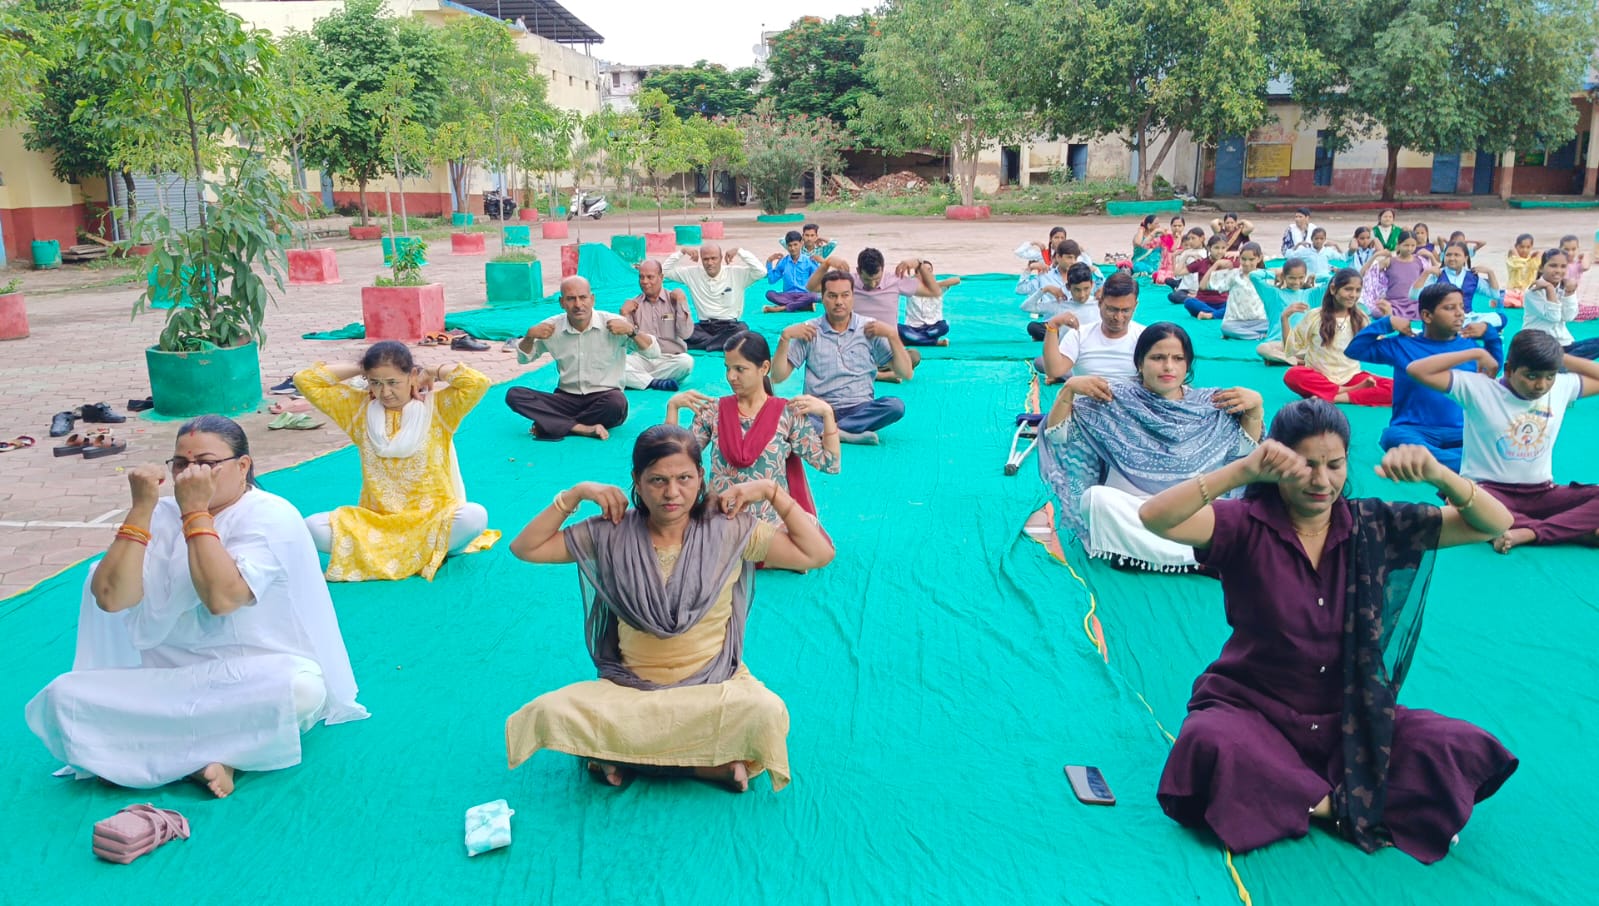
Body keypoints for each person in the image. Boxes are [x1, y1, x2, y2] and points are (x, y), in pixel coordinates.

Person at [1139, 399, 1518, 863]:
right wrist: (1238, 473)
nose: (1321, 481)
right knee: (1210, 741)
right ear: (1276, 462)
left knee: (1453, 745)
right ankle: (1345, 805)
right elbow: (1155, 517)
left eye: (1333, 465)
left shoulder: (1374, 525)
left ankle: (1301, 799)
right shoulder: (1245, 525)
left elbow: (1495, 524)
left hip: (1353, 717)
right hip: (1255, 711)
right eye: (1305, 465)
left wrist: (1441, 476)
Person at [26, 416, 367, 799]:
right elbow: (110, 597)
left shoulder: (270, 514)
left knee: (302, 689)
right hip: (168, 682)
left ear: (243, 466)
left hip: (248, 680)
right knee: (62, 697)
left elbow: (222, 599)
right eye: (181, 464)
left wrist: (194, 512)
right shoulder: (160, 513)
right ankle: (208, 756)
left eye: (205, 463)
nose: (191, 474)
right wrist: (141, 508)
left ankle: (154, 752)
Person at [504, 426, 835, 793]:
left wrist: (773, 493)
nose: (672, 492)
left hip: (711, 687)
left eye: (684, 478)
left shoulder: (728, 530)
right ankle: (700, 766)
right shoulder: (610, 532)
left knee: (765, 712)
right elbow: (526, 548)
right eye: (657, 480)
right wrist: (576, 494)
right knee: (550, 711)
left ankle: (626, 757)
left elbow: (817, 553)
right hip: (631, 691)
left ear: (700, 478)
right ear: (637, 481)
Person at [1037, 322, 1263, 571]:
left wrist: (1255, 410)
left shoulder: (1209, 404)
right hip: (1136, 508)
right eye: (1158, 357)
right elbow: (1060, 437)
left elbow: (1244, 454)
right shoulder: (1113, 398)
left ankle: (1145, 555)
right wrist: (1067, 392)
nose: (1168, 366)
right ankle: (1200, 557)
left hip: (1188, 511)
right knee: (1095, 501)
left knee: (1233, 509)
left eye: (1177, 358)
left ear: (1187, 364)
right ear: (1140, 363)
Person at [295, 343, 495, 582]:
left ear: (411, 376)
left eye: (393, 382)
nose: (385, 392)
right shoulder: (357, 410)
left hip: (430, 519)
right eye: (375, 383)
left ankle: (398, 554)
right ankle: (425, 553)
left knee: (474, 516)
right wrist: (362, 368)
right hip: (379, 524)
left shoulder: (438, 408)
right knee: (310, 526)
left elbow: (478, 382)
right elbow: (305, 380)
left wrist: (430, 371)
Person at [1409, 330, 1599, 552]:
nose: (1541, 385)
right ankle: (1572, 531)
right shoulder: (1478, 388)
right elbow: (1417, 370)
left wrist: (1559, 357)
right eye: (1531, 376)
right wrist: (1475, 352)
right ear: (1508, 370)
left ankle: (1528, 532)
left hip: (1542, 493)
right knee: (1463, 506)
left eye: (1549, 376)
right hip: (1487, 493)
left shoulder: (1560, 387)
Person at [666, 331, 841, 527]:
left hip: (770, 528)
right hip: (720, 522)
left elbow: (829, 463)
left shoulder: (788, 414)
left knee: (812, 540)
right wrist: (673, 408)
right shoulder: (713, 412)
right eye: (728, 368)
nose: (731, 376)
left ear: (764, 368)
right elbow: (674, 461)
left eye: (740, 369)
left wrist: (828, 415)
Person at [1346, 282, 1504, 472]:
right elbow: (1355, 350)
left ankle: (1434, 463)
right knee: (1393, 437)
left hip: (1461, 432)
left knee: (1498, 440)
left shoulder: (1469, 347)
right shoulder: (1404, 345)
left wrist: (1490, 334)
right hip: (1414, 430)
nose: (1460, 313)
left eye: (1461, 307)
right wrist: (1387, 323)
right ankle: (1465, 464)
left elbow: (1493, 367)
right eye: (1450, 308)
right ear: (1427, 316)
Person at [507, 276, 659, 441]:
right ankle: (582, 428)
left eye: (583, 297)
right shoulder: (550, 327)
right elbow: (524, 359)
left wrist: (632, 331)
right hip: (565, 399)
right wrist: (529, 337)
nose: (578, 305)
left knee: (617, 403)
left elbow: (653, 352)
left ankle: (553, 424)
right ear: (562, 302)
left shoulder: (614, 324)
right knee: (514, 395)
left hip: (603, 399)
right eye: (571, 299)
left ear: (592, 299)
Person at [773, 269, 913, 445]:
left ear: (853, 297)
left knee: (895, 406)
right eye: (832, 296)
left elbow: (905, 372)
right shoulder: (809, 331)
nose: (839, 302)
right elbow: (778, 377)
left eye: (844, 295)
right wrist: (784, 338)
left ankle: (830, 431)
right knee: (779, 410)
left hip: (859, 408)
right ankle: (844, 434)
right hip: (818, 409)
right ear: (822, 298)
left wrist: (893, 336)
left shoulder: (869, 328)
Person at [1282, 268, 1393, 406]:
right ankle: (1349, 391)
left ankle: (1336, 397)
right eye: (1348, 289)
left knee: (1397, 388)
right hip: (1320, 378)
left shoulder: (1361, 318)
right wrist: (1284, 318)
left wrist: (1387, 320)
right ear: (1333, 289)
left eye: (1358, 290)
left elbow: (1377, 348)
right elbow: (1291, 348)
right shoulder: (1315, 316)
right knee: (1292, 375)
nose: (1353, 295)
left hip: (1351, 377)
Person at [1039, 272, 1145, 382]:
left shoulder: (1144, 337)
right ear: (1100, 303)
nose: (1118, 317)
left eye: (1125, 311)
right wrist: (1052, 326)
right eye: (1112, 309)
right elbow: (1054, 371)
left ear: (1135, 306)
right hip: (1088, 398)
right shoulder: (1079, 335)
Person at [663, 243, 765, 352]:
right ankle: (721, 344)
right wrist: (682, 252)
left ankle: (704, 344)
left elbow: (761, 272)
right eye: (706, 259)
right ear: (701, 260)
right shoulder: (692, 273)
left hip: (730, 327)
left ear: (721, 258)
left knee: (742, 329)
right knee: (677, 329)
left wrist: (739, 251)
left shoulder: (736, 273)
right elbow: (664, 271)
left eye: (713, 258)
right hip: (703, 327)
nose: (710, 263)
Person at [808, 247, 943, 326]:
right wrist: (827, 263)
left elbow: (934, 291)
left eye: (877, 279)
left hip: (886, 346)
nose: (872, 284)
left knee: (912, 357)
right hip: (857, 345)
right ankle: (882, 373)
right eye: (867, 280)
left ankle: (882, 371)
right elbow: (812, 287)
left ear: (883, 269)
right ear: (859, 271)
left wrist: (919, 264)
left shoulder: (895, 280)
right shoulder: (849, 282)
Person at [620, 260, 696, 392]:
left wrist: (681, 302)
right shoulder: (633, 305)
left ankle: (638, 380)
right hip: (642, 359)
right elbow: (628, 343)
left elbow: (686, 334)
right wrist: (624, 315)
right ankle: (655, 382)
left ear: (661, 277)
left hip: (671, 359)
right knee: (616, 363)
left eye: (650, 277)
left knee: (686, 362)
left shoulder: (674, 298)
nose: (644, 281)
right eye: (641, 277)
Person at [1022, 243, 1104, 340]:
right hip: (1068, 349)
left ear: (1092, 285)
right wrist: (1045, 290)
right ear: (1068, 287)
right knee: (1033, 327)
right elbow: (1026, 307)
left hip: (1092, 346)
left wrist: (1097, 272)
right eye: (1077, 290)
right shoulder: (1061, 304)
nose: (1082, 295)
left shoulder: (1098, 304)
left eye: (1086, 289)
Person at [1253, 258, 1319, 365]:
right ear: (1284, 277)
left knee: (1321, 349)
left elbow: (1334, 281)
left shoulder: (1310, 295)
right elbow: (1253, 276)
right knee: (1262, 348)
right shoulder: (1274, 294)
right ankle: (1297, 361)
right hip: (1278, 343)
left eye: (1301, 277)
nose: (1297, 282)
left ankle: (1281, 359)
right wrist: (1275, 273)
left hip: (1300, 345)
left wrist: (1315, 276)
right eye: (1292, 278)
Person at [1412, 241, 1503, 312]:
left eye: (1457, 255)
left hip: (1467, 317)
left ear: (1465, 258)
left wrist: (1490, 273)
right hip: (1443, 319)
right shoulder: (1438, 274)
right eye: (1448, 255)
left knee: (1500, 319)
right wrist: (1426, 273)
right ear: (1444, 257)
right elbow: (1414, 296)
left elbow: (1495, 295)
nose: (1452, 258)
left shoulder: (1472, 276)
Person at [1203, 241, 1269, 339]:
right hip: (1235, 322)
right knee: (1226, 327)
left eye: (1251, 259)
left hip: (1259, 321)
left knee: (1276, 323)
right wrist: (1215, 265)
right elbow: (1203, 285)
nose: (1247, 263)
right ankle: (1258, 336)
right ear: (1239, 258)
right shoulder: (1233, 275)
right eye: (1243, 259)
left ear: (1259, 258)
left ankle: (1245, 334)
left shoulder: (1265, 276)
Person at [1362, 229, 1427, 320]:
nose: (1409, 248)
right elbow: (1366, 273)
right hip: (1393, 303)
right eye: (1406, 245)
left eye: (1413, 245)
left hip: (1413, 304)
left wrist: (1431, 257)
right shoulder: (1390, 261)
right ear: (1398, 245)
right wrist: (1376, 256)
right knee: (1377, 312)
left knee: (1428, 311)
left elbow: (1432, 277)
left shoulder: (1420, 261)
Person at [899, 260, 961, 347]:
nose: (926, 274)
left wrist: (935, 285)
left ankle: (914, 339)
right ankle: (934, 342)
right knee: (897, 328)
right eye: (923, 271)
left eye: (929, 271)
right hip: (913, 328)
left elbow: (957, 280)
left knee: (945, 326)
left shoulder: (938, 287)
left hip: (933, 327)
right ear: (916, 275)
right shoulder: (910, 287)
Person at [762, 230, 822, 313]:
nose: (793, 248)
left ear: (801, 243)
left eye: (795, 245)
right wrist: (769, 262)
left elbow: (819, 279)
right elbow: (772, 280)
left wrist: (821, 263)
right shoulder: (783, 262)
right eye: (790, 245)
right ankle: (803, 306)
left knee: (813, 296)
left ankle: (782, 308)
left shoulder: (809, 261)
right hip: (788, 295)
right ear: (786, 246)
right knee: (769, 294)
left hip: (804, 295)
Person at [1175, 235, 1233, 318]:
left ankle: (1210, 315)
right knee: (1189, 302)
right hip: (1203, 302)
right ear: (1209, 248)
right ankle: (1217, 314)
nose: (1220, 251)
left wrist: (1237, 253)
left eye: (1223, 248)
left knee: (1237, 304)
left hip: (1223, 302)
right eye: (1216, 248)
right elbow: (1178, 273)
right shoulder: (1202, 263)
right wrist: (1185, 255)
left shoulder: (1230, 263)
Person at [1504, 233, 1539, 308]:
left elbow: (1537, 266)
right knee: (1506, 297)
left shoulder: (1531, 260)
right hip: (1513, 291)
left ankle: (1520, 302)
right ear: (1516, 246)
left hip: (1527, 292)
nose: (1525, 250)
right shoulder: (1511, 260)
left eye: (1528, 247)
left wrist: (1539, 254)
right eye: (1521, 247)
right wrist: (1513, 251)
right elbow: (1519, 265)